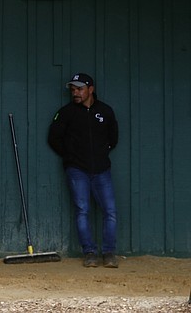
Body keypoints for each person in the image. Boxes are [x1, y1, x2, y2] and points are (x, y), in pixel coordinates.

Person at [48, 72, 119, 269]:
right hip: (77, 170)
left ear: (90, 90)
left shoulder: (105, 111)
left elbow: (113, 138)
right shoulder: (66, 112)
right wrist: (71, 157)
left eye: (79, 89)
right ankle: (89, 252)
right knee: (82, 210)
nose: (75, 93)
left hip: (102, 170)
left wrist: (100, 154)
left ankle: (109, 252)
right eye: (73, 90)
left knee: (110, 211)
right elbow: (53, 138)